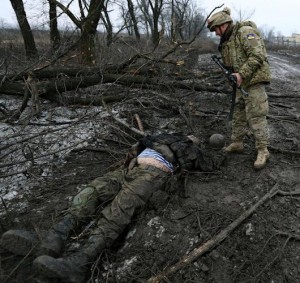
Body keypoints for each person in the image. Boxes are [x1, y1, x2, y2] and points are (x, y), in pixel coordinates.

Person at [1, 133, 226, 283]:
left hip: (152, 176)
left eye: (193, 139)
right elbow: (139, 143)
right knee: (90, 192)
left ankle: (80, 262)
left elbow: (211, 165)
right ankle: (51, 240)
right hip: (127, 170)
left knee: (118, 211)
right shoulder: (163, 136)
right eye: (189, 136)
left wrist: (223, 150)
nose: (189, 138)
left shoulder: (194, 151)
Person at [207, 7, 271, 170]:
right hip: (241, 83)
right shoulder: (227, 40)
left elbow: (258, 55)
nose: (216, 33)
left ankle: (263, 150)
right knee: (238, 113)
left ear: (224, 24)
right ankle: (237, 142)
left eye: (216, 29)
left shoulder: (245, 32)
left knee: (256, 115)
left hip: (254, 81)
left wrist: (241, 74)